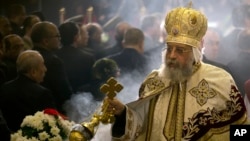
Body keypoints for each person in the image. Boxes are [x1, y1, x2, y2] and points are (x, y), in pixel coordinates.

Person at [103, 6, 248, 141]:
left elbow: (241, 129)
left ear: (194, 52)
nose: (171, 55)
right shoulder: (154, 81)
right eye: (169, 48)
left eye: (179, 50)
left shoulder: (219, 80)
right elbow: (140, 125)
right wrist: (123, 113)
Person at [0, 50, 56, 133]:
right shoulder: (42, 93)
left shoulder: (4, 88)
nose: (45, 69)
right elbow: (51, 123)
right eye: (42, 65)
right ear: (33, 72)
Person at [31, 21, 73, 114]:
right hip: (52, 111)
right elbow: (64, 92)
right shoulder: (54, 61)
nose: (60, 39)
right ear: (45, 41)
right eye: (57, 36)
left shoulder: (26, 57)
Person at [56, 21, 95, 93]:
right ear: (76, 37)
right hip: (82, 98)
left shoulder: (54, 56)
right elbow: (92, 83)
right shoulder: (87, 58)